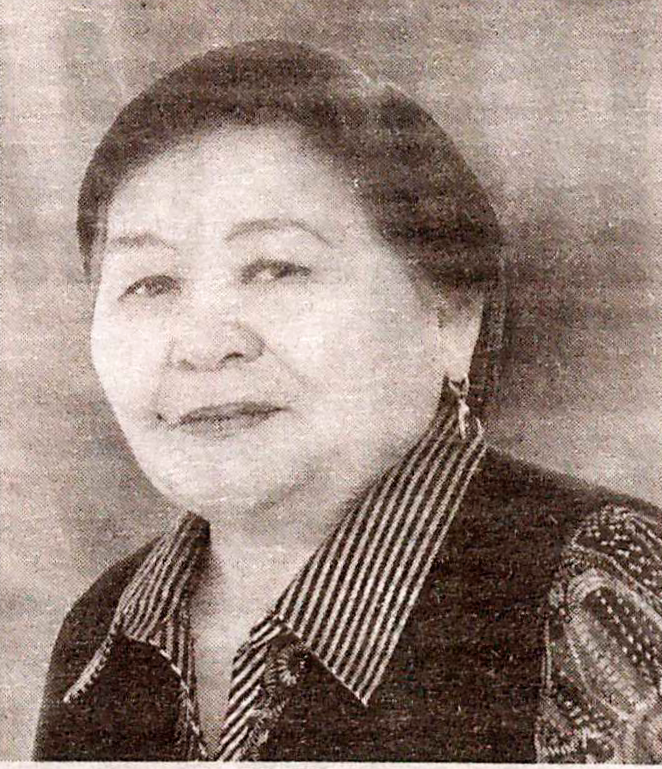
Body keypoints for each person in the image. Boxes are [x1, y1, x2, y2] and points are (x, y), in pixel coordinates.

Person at [33, 40, 662, 762]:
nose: (204, 344)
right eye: (150, 283)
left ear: (450, 317)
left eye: (276, 268)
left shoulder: (605, 579)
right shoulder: (99, 632)